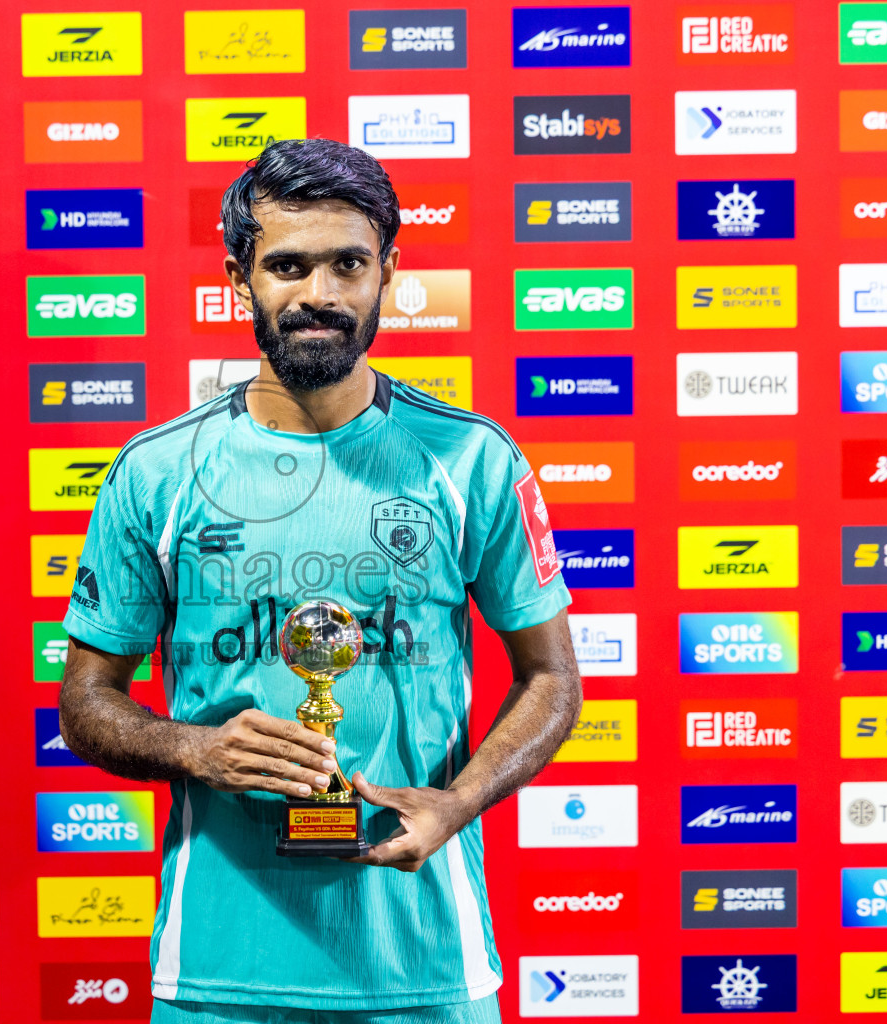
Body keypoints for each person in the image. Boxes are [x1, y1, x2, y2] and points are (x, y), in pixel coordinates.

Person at [58, 138, 582, 1024]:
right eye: (288, 266)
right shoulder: (155, 471)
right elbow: (86, 702)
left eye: (348, 264)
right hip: (217, 974)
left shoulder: (472, 459)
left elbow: (552, 681)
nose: (319, 296)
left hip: (426, 969)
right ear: (239, 277)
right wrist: (195, 750)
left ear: (389, 273)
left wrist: (457, 803)